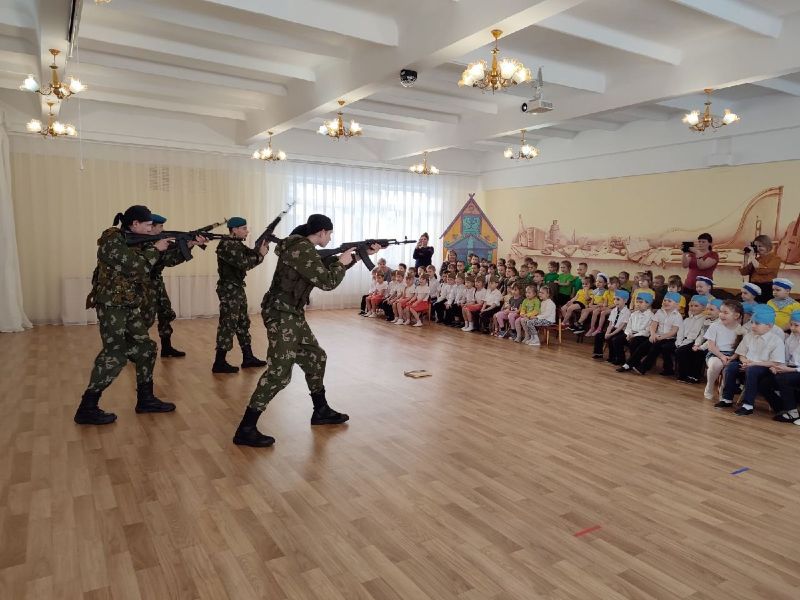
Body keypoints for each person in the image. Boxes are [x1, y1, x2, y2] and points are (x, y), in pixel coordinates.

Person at [233, 214, 380, 447]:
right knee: (279, 373)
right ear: (321, 232)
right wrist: (343, 262)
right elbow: (328, 282)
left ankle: (320, 410)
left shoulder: (303, 248)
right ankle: (246, 428)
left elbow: (322, 270)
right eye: (329, 234)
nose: (330, 238)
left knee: (315, 357)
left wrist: (358, 256)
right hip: (281, 313)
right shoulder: (302, 249)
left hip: (291, 313)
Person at [75, 205, 197, 425]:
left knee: (146, 349)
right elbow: (135, 267)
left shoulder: (139, 241)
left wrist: (187, 245)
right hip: (112, 306)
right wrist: (156, 249)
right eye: (149, 225)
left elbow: (160, 262)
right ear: (135, 224)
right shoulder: (112, 241)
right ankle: (87, 407)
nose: (152, 229)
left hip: (129, 304)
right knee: (115, 353)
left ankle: (146, 399)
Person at [140, 213, 202, 358]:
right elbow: (168, 261)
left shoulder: (158, 241)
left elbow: (172, 258)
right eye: (161, 226)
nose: (163, 229)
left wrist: (189, 244)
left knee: (166, 313)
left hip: (156, 281)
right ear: (152, 227)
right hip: (145, 283)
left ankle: (166, 348)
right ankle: (135, 349)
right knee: (146, 317)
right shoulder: (144, 243)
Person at [212, 217, 269, 374]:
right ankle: (219, 362)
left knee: (243, 322)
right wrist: (260, 256)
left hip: (236, 288)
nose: (247, 231)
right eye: (244, 228)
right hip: (229, 289)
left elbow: (250, 254)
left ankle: (248, 357)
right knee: (228, 324)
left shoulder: (236, 243)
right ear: (234, 229)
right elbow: (244, 263)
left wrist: (261, 247)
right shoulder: (227, 245)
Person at [716, 304, 784, 416]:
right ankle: (727, 399)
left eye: (757, 323)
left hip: (764, 367)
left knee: (752, 371)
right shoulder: (749, 336)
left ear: (769, 326)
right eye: (752, 322)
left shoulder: (776, 340)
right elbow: (741, 353)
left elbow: (776, 362)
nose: (753, 326)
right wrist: (745, 361)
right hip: (748, 364)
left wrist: (753, 364)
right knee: (731, 367)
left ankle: (748, 405)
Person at [625, 291, 683, 376]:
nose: (666, 302)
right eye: (665, 300)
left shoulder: (677, 316)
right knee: (643, 346)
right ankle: (629, 364)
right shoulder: (660, 312)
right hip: (656, 336)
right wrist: (652, 334)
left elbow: (673, 331)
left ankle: (643, 367)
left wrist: (661, 337)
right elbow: (653, 324)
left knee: (655, 347)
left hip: (669, 338)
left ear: (676, 304)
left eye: (669, 301)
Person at [702, 299, 742, 402]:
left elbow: (741, 348)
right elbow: (711, 346)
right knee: (716, 364)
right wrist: (721, 356)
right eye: (720, 311)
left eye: (725, 312)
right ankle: (709, 386)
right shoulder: (715, 326)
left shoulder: (740, 329)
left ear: (736, 316)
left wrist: (733, 357)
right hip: (715, 353)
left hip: (732, 356)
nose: (721, 315)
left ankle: (723, 391)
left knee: (728, 369)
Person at [766, 310, 800, 424]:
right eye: (791, 324)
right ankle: (782, 408)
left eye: (796, 325)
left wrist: (789, 369)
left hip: (797, 370)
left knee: (783, 379)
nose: (792, 328)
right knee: (764, 382)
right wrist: (778, 367)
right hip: (791, 367)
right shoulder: (791, 337)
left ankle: (792, 412)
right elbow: (785, 358)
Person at [616, 292, 655, 373]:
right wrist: (628, 334)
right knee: (617, 340)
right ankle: (622, 360)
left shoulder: (651, 316)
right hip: (631, 334)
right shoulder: (634, 314)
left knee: (634, 341)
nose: (638, 304)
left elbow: (646, 331)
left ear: (648, 304)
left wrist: (634, 336)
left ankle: (630, 364)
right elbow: (628, 326)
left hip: (642, 336)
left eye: (641, 302)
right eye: (637, 302)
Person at [674, 296, 709, 383]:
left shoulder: (704, 320)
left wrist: (696, 344)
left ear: (704, 307)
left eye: (696, 306)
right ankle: (674, 371)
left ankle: (684, 375)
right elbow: (680, 331)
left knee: (681, 351)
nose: (693, 308)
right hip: (683, 341)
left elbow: (701, 335)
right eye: (691, 306)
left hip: (695, 342)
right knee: (669, 347)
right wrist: (679, 342)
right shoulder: (687, 319)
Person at [739, 235, 782, 303]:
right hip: (753, 288)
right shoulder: (757, 259)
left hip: (766, 289)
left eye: (760, 246)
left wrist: (752, 257)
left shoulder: (776, 258)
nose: (758, 248)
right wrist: (746, 258)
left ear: (768, 246)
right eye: (756, 246)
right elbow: (744, 272)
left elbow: (762, 270)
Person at [599, 290, 631, 364]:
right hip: (613, 329)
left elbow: (621, 327)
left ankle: (618, 359)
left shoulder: (627, 312)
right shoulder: (614, 310)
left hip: (621, 331)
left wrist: (610, 334)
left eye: (618, 299)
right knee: (599, 335)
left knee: (613, 339)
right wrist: (607, 333)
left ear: (625, 301)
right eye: (614, 299)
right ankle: (599, 354)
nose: (615, 301)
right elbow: (610, 324)